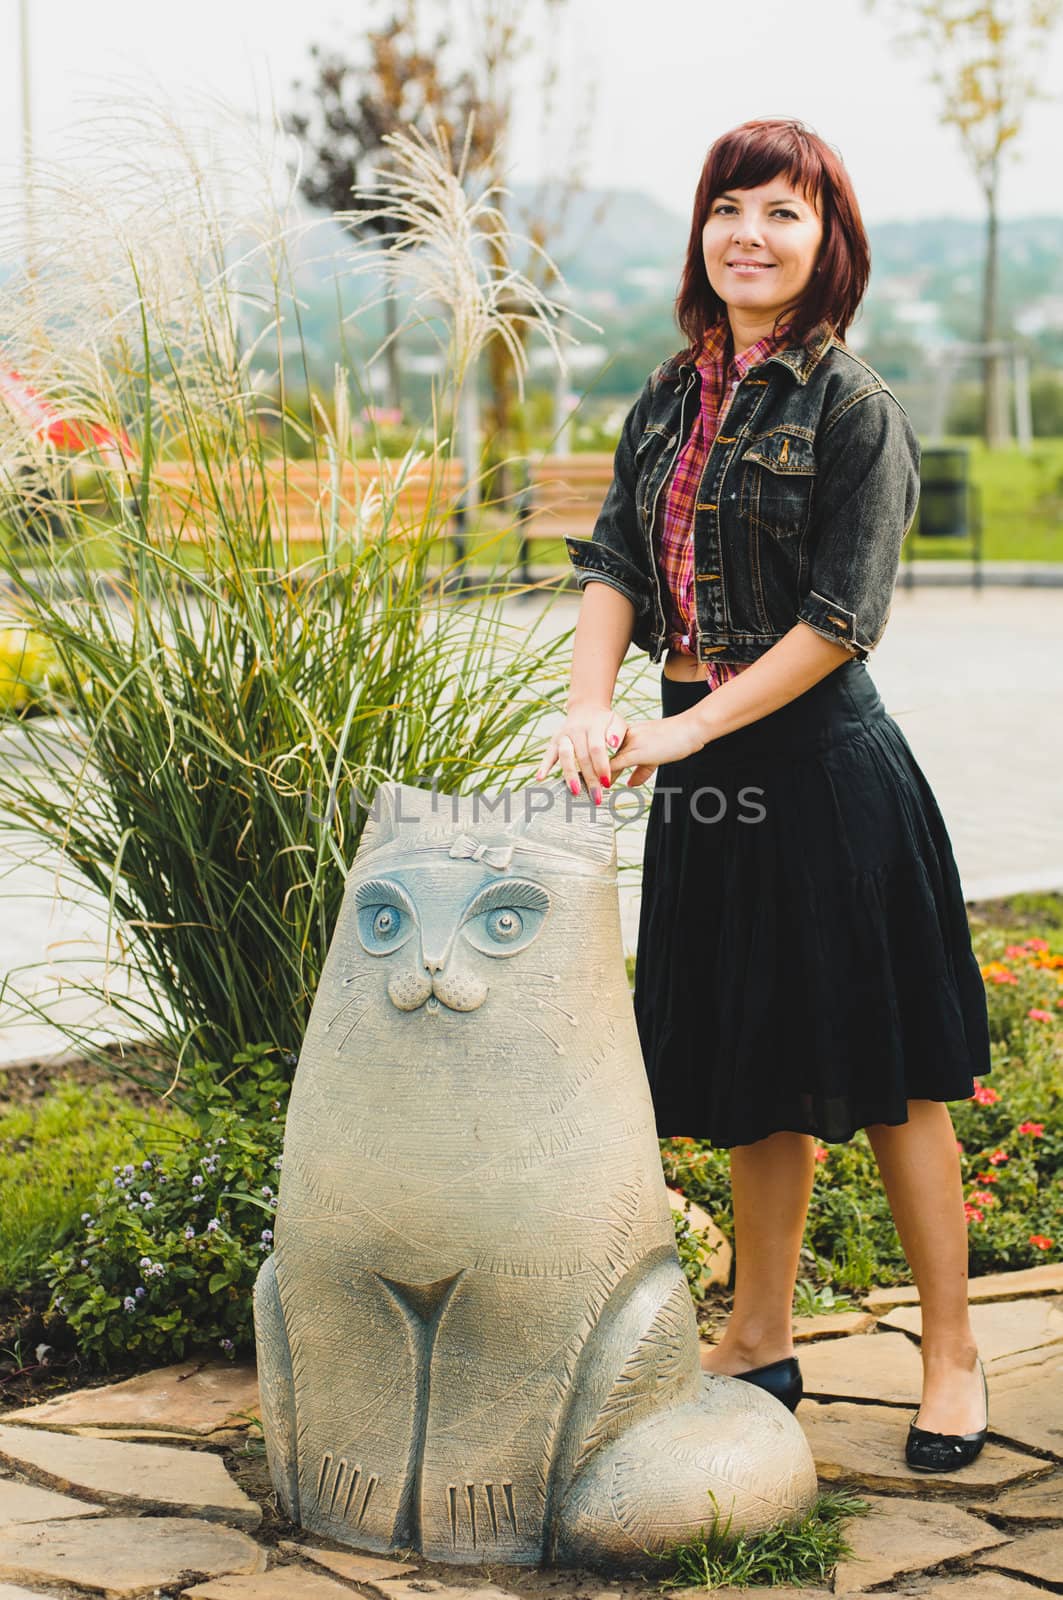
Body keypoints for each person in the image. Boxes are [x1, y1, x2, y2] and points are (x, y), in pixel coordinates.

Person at [534, 117, 992, 1472]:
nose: (751, 232)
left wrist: (682, 735)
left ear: (827, 243)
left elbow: (842, 622)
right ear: (703, 232)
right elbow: (618, 556)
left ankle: (953, 1355)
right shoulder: (671, 396)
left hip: (824, 775)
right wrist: (591, 701)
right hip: (703, 768)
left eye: (783, 212)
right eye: (732, 206)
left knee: (898, 1073)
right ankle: (760, 1333)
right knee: (752, 1060)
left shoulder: (853, 411)